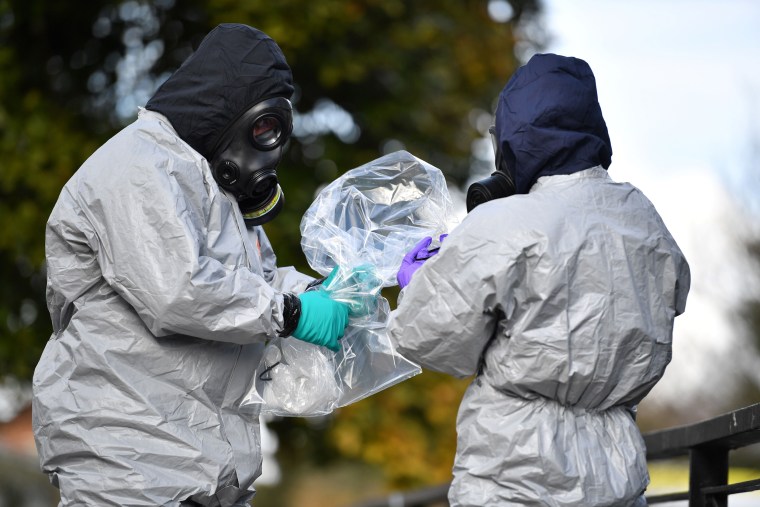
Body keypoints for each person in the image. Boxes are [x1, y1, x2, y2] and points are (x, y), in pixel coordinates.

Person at [32, 23, 350, 507]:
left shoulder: (209, 186)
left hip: (198, 465)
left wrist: (332, 288)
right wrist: (290, 313)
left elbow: (251, 283)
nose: (269, 147)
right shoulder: (138, 165)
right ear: (228, 105)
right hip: (127, 461)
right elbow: (178, 291)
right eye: (263, 127)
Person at [388, 53, 691, 506]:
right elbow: (674, 294)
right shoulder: (642, 217)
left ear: (512, 137)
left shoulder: (502, 223)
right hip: (617, 472)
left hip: (515, 474)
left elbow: (424, 337)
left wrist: (420, 282)